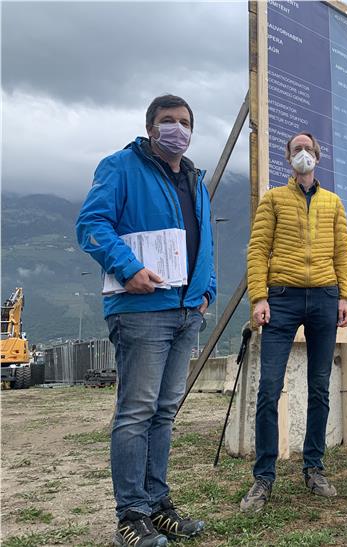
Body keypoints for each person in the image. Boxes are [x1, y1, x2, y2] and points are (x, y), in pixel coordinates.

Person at [76, 94, 215, 546]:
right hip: (140, 311)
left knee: (164, 413)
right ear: (150, 127)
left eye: (185, 121)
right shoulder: (119, 167)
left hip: (185, 312)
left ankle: (158, 505)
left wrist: (206, 290)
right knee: (136, 412)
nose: (178, 128)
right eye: (168, 120)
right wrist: (127, 267)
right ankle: (131, 515)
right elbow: (91, 224)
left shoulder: (195, 178)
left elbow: (205, 242)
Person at [240, 131, 347, 513]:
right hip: (283, 298)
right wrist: (259, 296)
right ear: (287, 158)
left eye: (308, 148)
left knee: (320, 387)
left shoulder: (333, 202)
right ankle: (263, 478)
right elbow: (258, 249)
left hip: (324, 296)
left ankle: (314, 468)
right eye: (296, 149)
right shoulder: (273, 199)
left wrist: (344, 296)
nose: (302, 154)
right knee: (269, 387)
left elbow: (343, 252)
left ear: (318, 157)